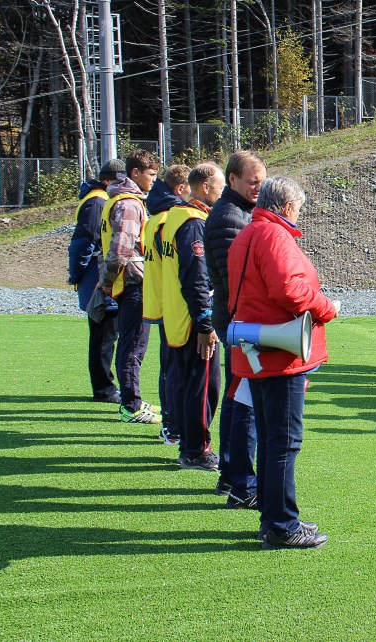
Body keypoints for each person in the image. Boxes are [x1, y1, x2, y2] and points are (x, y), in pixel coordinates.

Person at [228, 176, 338, 550]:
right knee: (283, 442)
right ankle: (281, 525)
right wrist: (326, 307)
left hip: (258, 348)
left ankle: (273, 518)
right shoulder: (274, 236)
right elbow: (289, 291)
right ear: (288, 207)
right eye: (298, 208)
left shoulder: (248, 233)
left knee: (273, 437)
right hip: (281, 353)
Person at [159, 163, 226, 474]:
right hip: (190, 318)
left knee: (189, 385)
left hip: (175, 313)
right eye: (220, 186)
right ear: (205, 186)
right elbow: (196, 276)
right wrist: (205, 322)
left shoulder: (173, 216)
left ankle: (187, 444)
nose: (223, 192)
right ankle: (196, 451)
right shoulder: (193, 222)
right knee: (204, 387)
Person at [205, 151, 266, 497]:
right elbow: (238, 280)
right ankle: (239, 480)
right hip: (239, 321)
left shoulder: (235, 211)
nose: (259, 187)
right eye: (252, 181)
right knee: (244, 401)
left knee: (237, 397)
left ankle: (231, 474)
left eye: (261, 181)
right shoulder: (231, 216)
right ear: (232, 180)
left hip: (234, 318)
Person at [100, 149, 161, 424]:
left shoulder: (118, 199)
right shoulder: (129, 203)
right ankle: (131, 405)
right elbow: (122, 249)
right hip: (133, 281)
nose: (153, 180)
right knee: (133, 345)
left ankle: (131, 397)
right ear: (135, 173)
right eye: (150, 175)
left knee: (131, 344)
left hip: (127, 281)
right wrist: (106, 282)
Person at [67, 159, 122, 404]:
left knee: (105, 333)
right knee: (103, 334)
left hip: (96, 275)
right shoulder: (98, 201)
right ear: (109, 180)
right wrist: (76, 273)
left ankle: (105, 386)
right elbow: (84, 243)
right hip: (96, 277)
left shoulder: (96, 198)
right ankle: (103, 389)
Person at [143, 164, 191, 444]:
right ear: (181, 189)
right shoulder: (168, 220)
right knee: (174, 368)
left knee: (170, 366)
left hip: (161, 301)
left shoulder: (157, 217)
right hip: (171, 304)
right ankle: (172, 425)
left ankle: (171, 423)